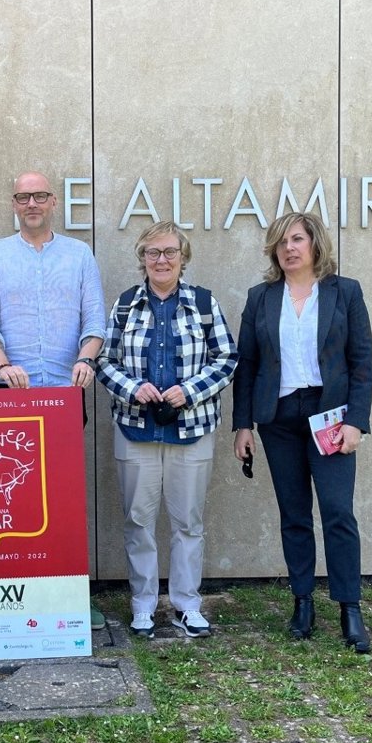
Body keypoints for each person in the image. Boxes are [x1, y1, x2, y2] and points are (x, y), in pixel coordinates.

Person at [232, 211, 372, 653]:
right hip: (278, 419)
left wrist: (356, 421)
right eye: (281, 242)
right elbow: (247, 366)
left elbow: (361, 362)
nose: (289, 248)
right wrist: (242, 425)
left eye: (296, 239)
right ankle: (303, 604)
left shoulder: (345, 292)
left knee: (337, 511)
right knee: (294, 514)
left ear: (315, 244)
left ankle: (350, 608)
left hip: (329, 416)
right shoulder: (261, 297)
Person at [0, 171, 108, 628]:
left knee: (64, 500)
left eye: (39, 196)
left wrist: (86, 359)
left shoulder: (79, 254)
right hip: (10, 396)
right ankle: (16, 597)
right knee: (13, 500)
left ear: (53, 201)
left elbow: (95, 322)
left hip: (65, 396)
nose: (31, 203)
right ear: (13, 204)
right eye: (22, 197)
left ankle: (69, 597)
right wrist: (1, 366)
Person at [97, 221, 237, 639]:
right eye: (152, 252)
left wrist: (189, 391)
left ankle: (186, 605)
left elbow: (227, 358)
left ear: (183, 257)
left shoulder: (203, 303)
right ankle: (143, 605)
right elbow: (103, 360)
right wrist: (132, 388)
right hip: (136, 430)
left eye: (170, 252)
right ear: (142, 258)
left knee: (188, 523)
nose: (161, 260)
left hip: (191, 430)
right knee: (138, 522)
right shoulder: (125, 305)